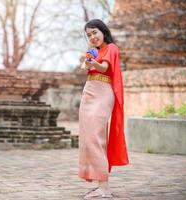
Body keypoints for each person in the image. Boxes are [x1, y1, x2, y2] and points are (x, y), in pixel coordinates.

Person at [79, 19, 129, 199]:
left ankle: (104, 187)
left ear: (103, 31)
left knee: (96, 138)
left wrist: (93, 63)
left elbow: (104, 68)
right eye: (89, 35)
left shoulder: (111, 48)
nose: (92, 37)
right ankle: (100, 184)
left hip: (103, 94)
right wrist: (86, 62)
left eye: (95, 32)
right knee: (87, 138)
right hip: (88, 93)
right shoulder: (95, 52)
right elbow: (84, 68)